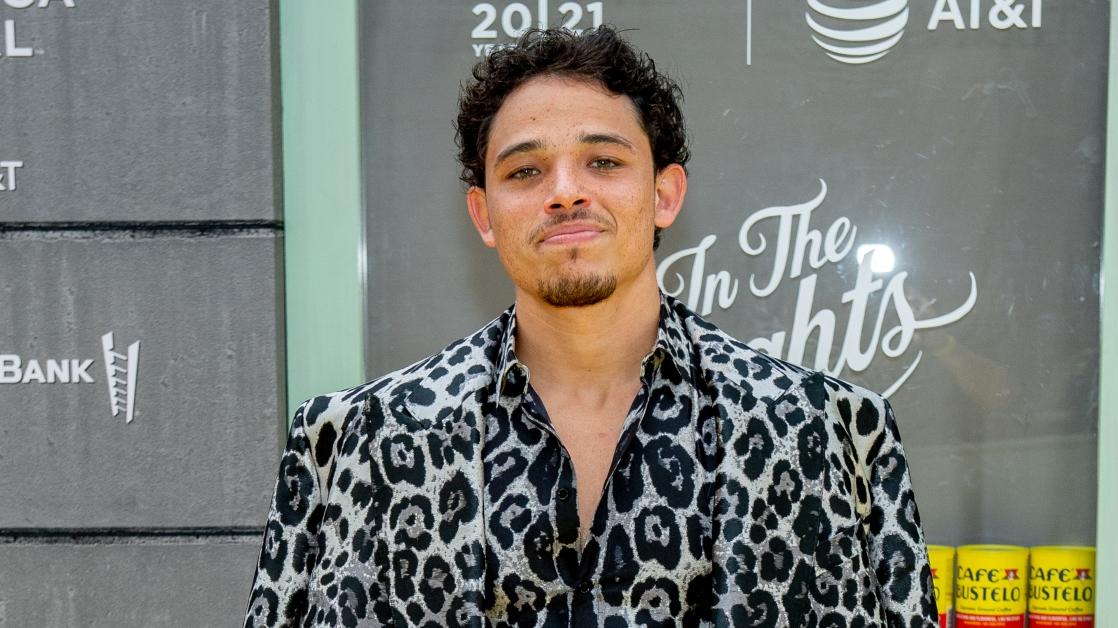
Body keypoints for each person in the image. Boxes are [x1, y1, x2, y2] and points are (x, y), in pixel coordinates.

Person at [245, 26, 937, 628]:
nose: (566, 190)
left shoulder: (823, 435)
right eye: (526, 170)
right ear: (484, 216)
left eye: (603, 161)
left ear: (664, 194)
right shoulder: (357, 446)